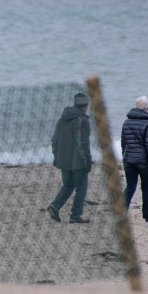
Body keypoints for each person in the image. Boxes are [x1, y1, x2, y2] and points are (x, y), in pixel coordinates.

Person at [46, 91, 92, 223]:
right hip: (78, 162)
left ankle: (55, 206)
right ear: (85, 106)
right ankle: (75, 216)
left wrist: (56, 156)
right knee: (81, 187)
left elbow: (54, 140)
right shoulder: (82, 121)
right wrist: (87, 160)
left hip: (63, 160)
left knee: (68, 185)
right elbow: (82, 143)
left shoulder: (62, 119)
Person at [121, 95, 148, 222]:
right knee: (146, 187)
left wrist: (125, 157)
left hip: (129, 160)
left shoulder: (126, 122)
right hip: (143, 161)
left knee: (130, 186)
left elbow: (123, 143)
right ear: (146, 107)